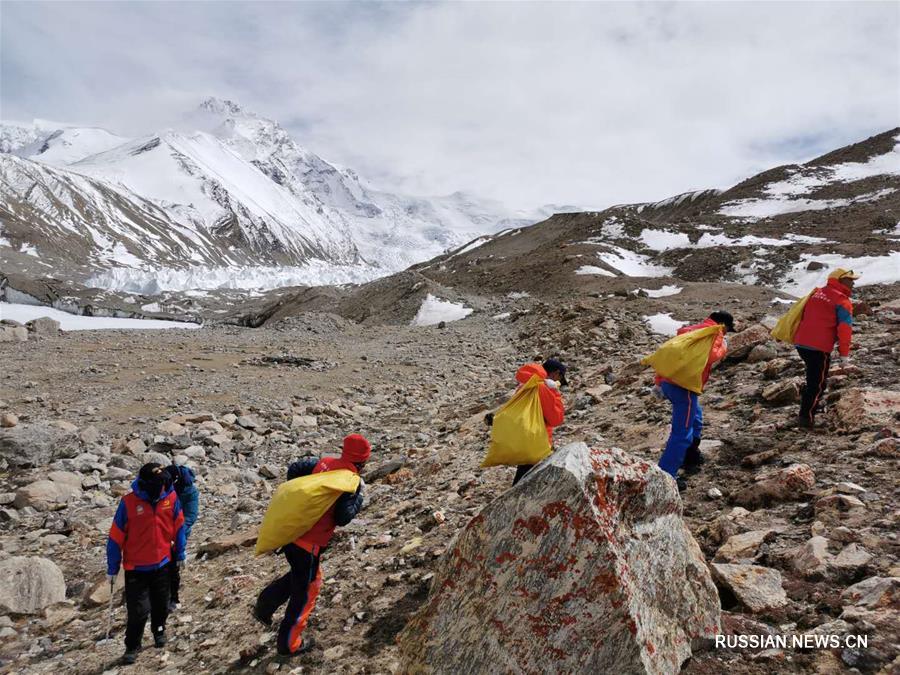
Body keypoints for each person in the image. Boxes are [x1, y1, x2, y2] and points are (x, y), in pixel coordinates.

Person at [253, 434, 369, 657]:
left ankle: (265, 604)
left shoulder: (324, 463)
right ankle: (289, 644)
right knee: (306, 589)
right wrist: (358, 499)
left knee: (301, 577)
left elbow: (295, 468)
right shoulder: (349, 482)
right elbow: (343, 517)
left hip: (293, 533)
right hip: (310, 544)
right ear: (363, 462)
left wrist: (302, 501)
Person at [107, 463, 187, 665]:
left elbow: (179, 526)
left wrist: (180, 552)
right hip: (136, 567)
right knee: (138, 611)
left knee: (161, 604)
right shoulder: (129, 503)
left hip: (163, 562)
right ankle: (132, 646)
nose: (162, 487)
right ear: (145, 483)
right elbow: (116, 537)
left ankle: (159, 631)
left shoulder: (170, 498)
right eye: (158, 483)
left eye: (164, 482)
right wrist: (112, 567)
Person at [653, 311, 733, 490]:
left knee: (696, 418)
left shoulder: (691, 330)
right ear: (723, 325)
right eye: (727, 330)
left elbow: (671, 356)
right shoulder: (714, 332)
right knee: (682, 433)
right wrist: (723, 346)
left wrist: (659, 381)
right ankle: (666, 477)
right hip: (684, 388)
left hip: (669, 383)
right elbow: (711, 356)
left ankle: (691, 456)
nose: (726, 333)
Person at [792, 268, 859, 429]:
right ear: (840, 281)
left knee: (814, 377)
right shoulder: (842, 301)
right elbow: (845, 329)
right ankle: (805, 418)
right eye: (850, 280)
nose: (853, 283)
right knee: (818, 384)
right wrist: (844, 355)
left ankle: (810, 406)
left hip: (801, 342)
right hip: (818, 347)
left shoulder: (817, 292)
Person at [511, 358, 566, 485]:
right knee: (528, 478)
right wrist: (555, 394)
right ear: (556, 373)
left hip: (523, 435)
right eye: (560, 378)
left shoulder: (525, 384)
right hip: (537, 439)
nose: (559, 382)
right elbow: (556, 419)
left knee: (524, 471)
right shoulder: (543, 387)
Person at [163, 464, 199, 611]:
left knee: (173, 567)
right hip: (160, 533)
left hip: (178, 534)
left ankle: (173, 598)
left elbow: (190, 516)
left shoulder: (189, 491)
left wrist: (177, 534)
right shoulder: (162, 485)